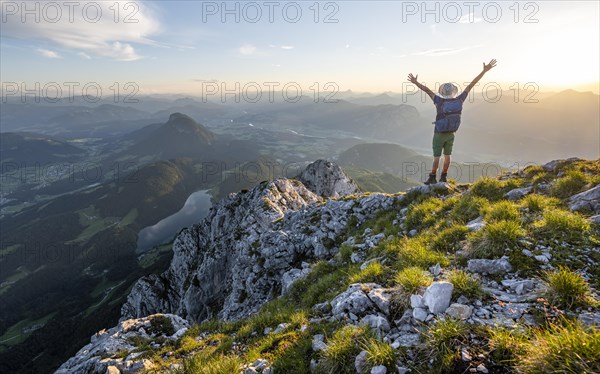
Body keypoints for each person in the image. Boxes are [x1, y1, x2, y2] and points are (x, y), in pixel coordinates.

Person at [408, 59, 497, 184]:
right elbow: (471, 84)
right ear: (454, 91)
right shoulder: (460, 99)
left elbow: (426, 90)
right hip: (452, 133)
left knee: (436, 157)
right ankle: (444, 176)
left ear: (442, 92)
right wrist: (484, 71)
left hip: (439, 133)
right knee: (448, 156)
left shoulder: (439, 101)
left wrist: (415, 82)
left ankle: (432, 177)